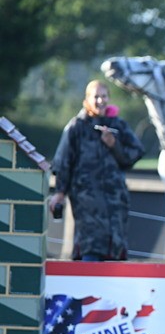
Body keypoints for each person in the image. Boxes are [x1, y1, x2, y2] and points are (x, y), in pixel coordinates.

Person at [48, 80, 146, 261]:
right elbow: (63, 162)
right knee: (90, 246)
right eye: (96, 97)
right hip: (87, 198)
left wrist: (114, 145)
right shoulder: (76, 126)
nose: (100, 101)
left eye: (104, 96)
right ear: (87, 99)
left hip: (115, 199)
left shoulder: (118, 125)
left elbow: (135, 154)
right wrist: (60, 192)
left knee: (115, 247)